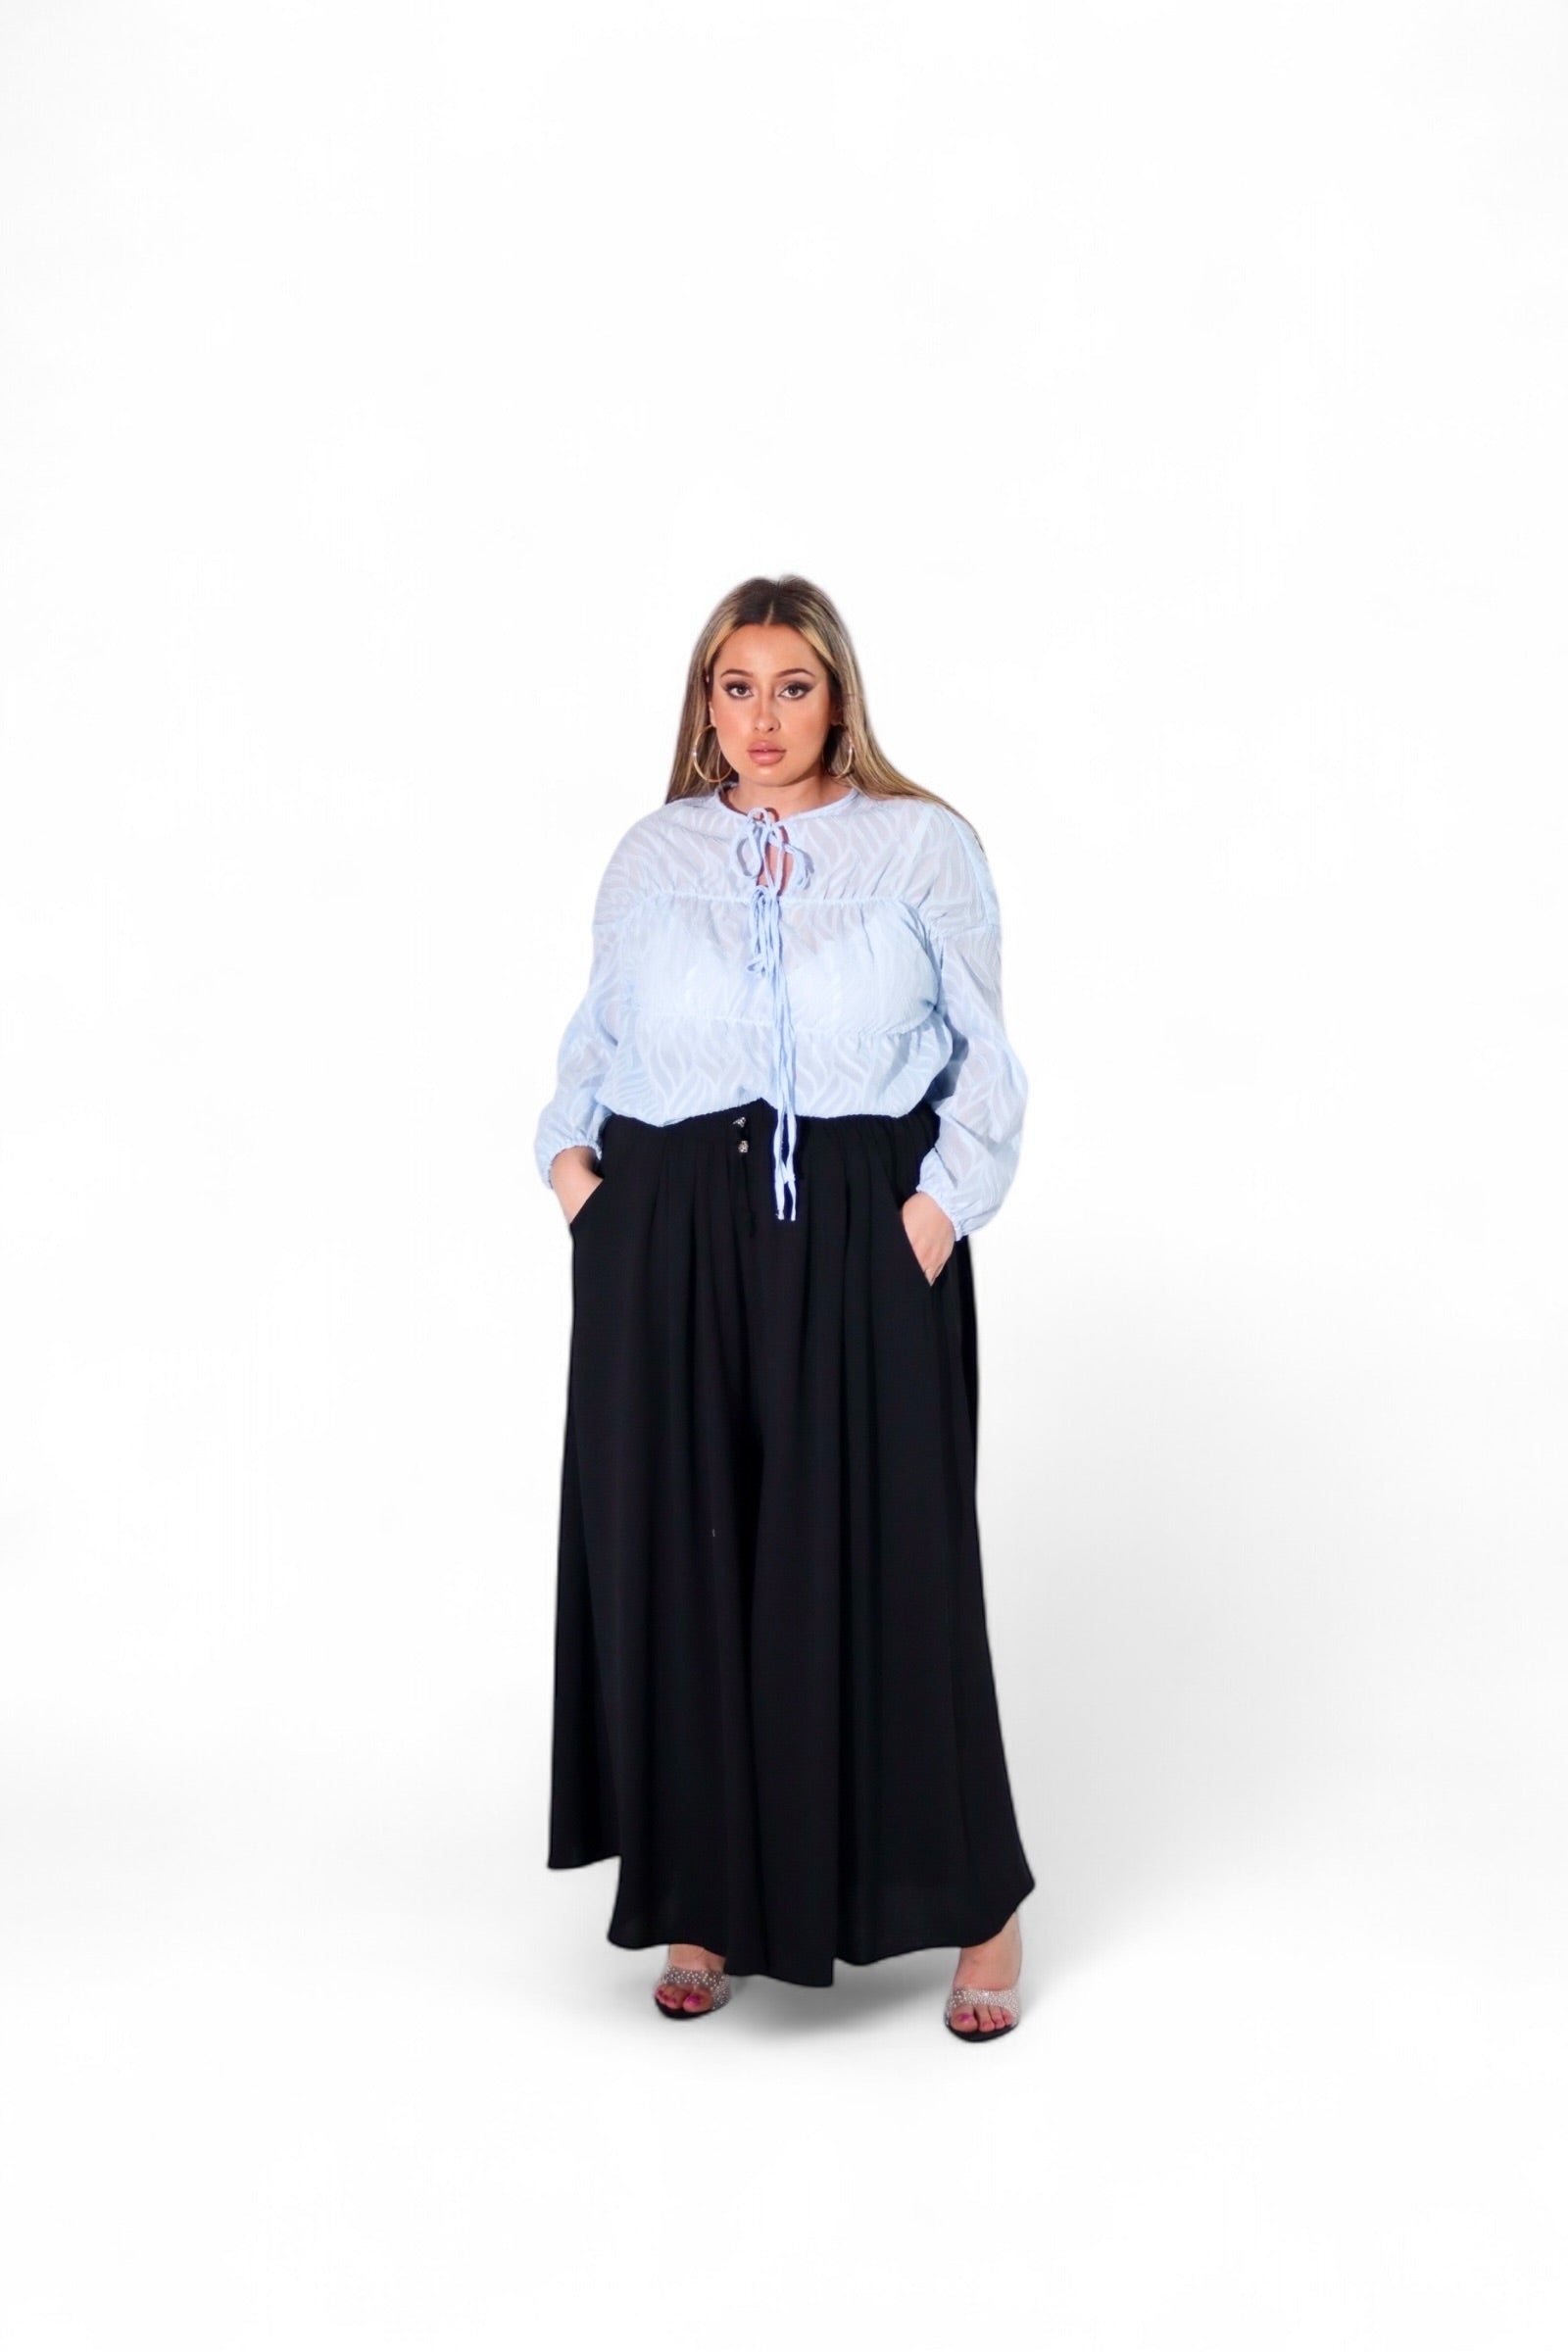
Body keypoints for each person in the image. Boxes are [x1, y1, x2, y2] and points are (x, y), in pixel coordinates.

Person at [534, 574, 1034, 2041]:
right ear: (705, 704)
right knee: (680, 1571)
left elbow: (985, 1053)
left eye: (793, 687)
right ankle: (703, 1895)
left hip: (864, 1229)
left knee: (896, 1564)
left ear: (839, 699)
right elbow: (598, 1039)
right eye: (737, 686)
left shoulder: (920, 845)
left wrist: (933, 1215)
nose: (764, 718)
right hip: (667, 1230)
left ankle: (981, 1905)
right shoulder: (653, 855)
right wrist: (578, 1182)